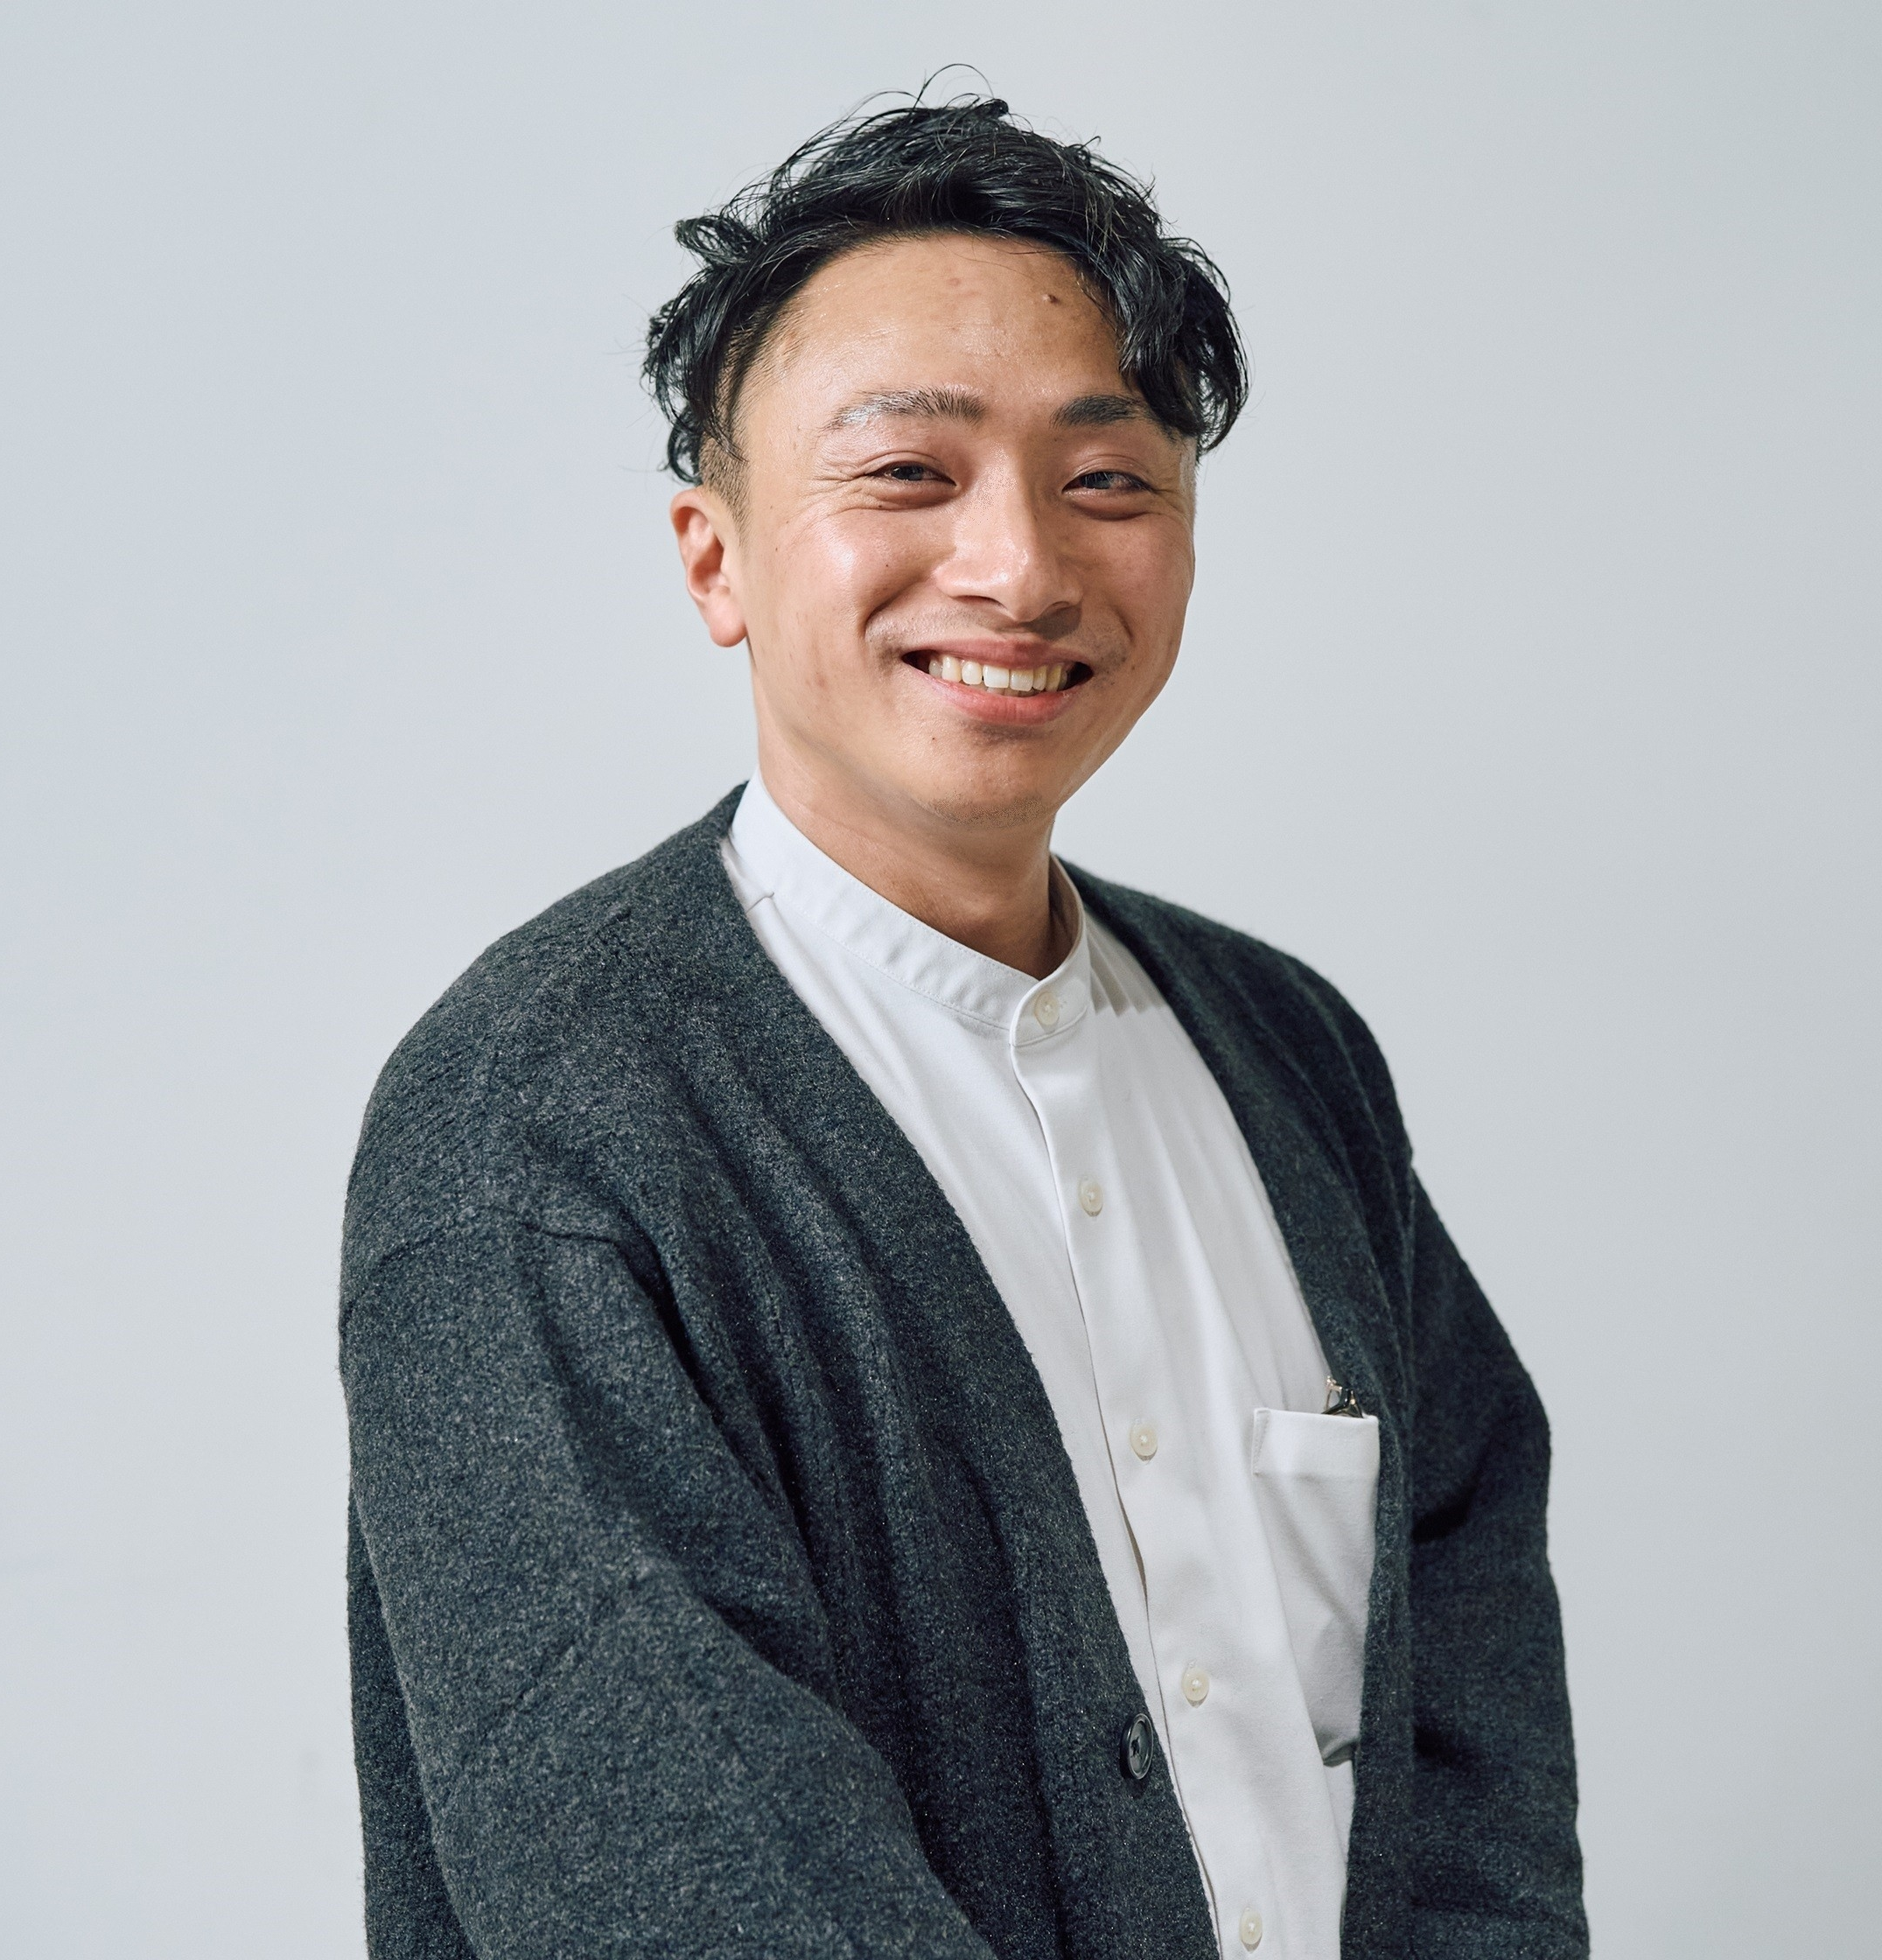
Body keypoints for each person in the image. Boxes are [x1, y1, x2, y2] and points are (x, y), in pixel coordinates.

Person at [339, 96, 1586, 1960]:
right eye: (909, 472)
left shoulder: (1287, 1051)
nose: (1020, 566)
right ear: (715, 559)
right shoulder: (536, 1124)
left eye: (1108, 481)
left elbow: (1462, 1643)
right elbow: (671, 1874)